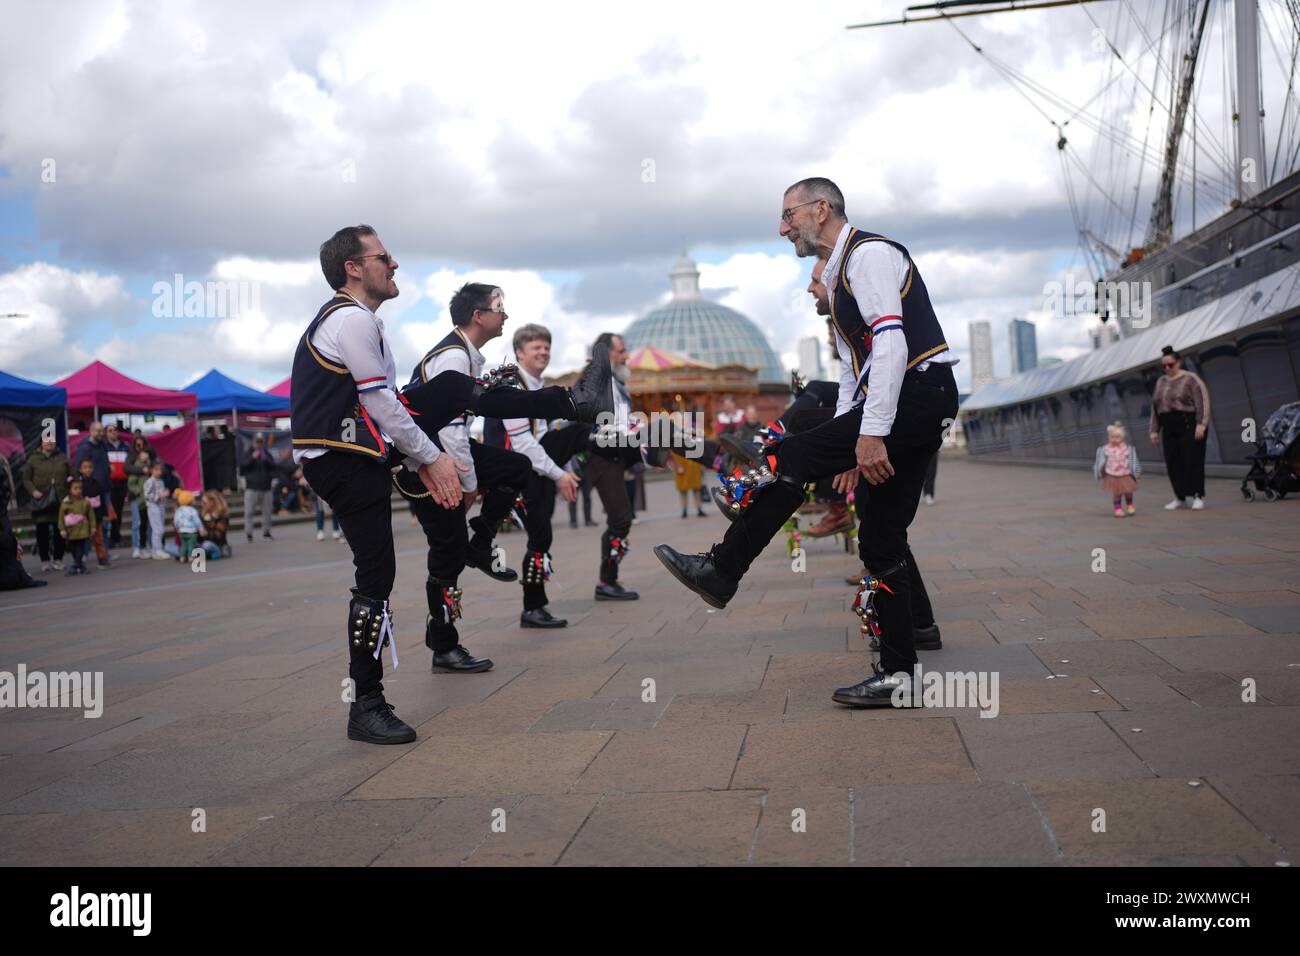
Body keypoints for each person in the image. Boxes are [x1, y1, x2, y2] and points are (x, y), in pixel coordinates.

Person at [292, 224, 612, 744]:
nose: (393, 265)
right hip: (345, 457)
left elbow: (389, 402)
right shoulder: (351, 320)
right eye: (383, 257)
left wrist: (429, 452)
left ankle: (570, 404)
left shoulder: (355, 322)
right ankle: (366, 704)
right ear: (354, 267)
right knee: (377, 577)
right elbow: (378, 403)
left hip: (359, 450)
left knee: (453, 393)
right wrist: (432, 457)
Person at [656, 177, 957, 707]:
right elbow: (851, 375)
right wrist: (846, 442)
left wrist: (868, 433)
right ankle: (900, 674)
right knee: (882, 535)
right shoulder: (839, 277)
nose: (782, 228)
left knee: (789, 454)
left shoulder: (870, 256)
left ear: (822, 209)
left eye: (789, 215)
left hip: (918, 393)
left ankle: (722, 570)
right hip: (905, 402)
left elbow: (891, 343)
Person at [394, 281, 539, 672]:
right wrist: (469, 486)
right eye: (499, 307)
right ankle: (443, 645)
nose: (505, 314)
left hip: (445, 454)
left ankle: (482, 542)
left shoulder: (465, 354)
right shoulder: (454, 358)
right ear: (478, 316)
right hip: (426, 466)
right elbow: (452, 431)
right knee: (446, 552)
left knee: (516, 468)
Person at [497, 323, 597, 628]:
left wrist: (562, 469)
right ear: (519, 353)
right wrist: (560, 475)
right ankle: (532, 606)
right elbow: (523, 443)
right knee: (540, 535)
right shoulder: (513, 387)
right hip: (519, 471)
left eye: (546, 347)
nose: (543, 352)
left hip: (539, 467)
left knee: (579, 428)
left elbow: (544, 436)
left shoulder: (539, 387)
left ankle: (627, 445)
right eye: (535, 348)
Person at [1149, 345, 1211, 511]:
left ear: (1179, 362)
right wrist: (1154, 430)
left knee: (1192, 459)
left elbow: (1203, 401)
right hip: (1168, 424)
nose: (1167, 368)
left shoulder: (1191, 379)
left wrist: (1201, 424)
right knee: (1173, 461)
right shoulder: (1161, 381)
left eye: (1171, 365)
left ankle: (1197, 495)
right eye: (1164, 366)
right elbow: (1155, 407)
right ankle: (1180, 497)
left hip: (1188, 422)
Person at [21, 438, 71, 572]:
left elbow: (72, 475)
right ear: (41, 443)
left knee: (59, 531)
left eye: (53, 441)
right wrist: (33, 491)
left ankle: (58, 559)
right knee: (41, 532)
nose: (50, 443)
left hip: (59, 501)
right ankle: (45, 560)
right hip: (41, 502)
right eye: (47, 440)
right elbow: (26, 479)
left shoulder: (62, 458)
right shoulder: (33, 459)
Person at [74, 424, 114, 555]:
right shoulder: (84, 448)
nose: (101, 433)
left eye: (102, 431)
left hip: (104, 490)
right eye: (98, 431)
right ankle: (84, 555)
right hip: (89, 491)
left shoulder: (103, 445)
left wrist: (109, 469)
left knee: (104, 523)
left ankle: (104, 554)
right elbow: (78, 468)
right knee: (86, 522)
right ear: (91, 431)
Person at [1094, 421, 1141, 516]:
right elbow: (1100, 461)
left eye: (1117, 437)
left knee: (1128, 491)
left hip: (1125, 474)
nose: (1114, 439)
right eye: (1112, 437)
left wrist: (1136, 471)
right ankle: (1118, 509)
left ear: (1122, 438)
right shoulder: (1106, 449)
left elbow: (1134, 460)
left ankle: (1130, 505)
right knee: (1116, 493)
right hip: (1112, 475)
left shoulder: (1127, 449)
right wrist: (1099, 472)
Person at [74, 457, 112, 568]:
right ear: (80, 470)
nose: (88, 470)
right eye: (85, 467)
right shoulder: (78, 485)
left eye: (90, 467)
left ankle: (102, 558)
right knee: (82, 539)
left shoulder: (97, 484)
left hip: (96, 516)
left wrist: (104, 514)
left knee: (98, 539)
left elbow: (102, 501)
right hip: (83, 518)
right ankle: (80, 560)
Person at [241, 434, 277, 540]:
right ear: (253, 442)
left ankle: (266, 532)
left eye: (261, 442)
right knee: (249, 512)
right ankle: (249, 533)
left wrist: (266, 460)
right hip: (252, 487)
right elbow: (243, 466)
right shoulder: (248, 452)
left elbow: (274, 466)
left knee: (267, 512)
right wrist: (252, 458)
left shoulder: (266, 453)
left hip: (266, 487)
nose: (259, 444)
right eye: (257, 442)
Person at [124, 437, 155, 558]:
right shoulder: (132, 457)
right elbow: (126, 469)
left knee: (148, 523)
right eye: (138, 445)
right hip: (137, 497)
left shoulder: (152, 460)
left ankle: (149, 545)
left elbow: (161, 467)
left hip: (149, 498)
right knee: (137, 523)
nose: (140, 448)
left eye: (143, 445)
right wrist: (142, 470)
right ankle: (137, 547)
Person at [58, 478, 96, 575]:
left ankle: (75, 566)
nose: (78, 490)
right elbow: (61, 517)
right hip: (71, 530)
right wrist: (62, 529)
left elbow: (91, 515)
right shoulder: (65, 503)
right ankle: (80, 566)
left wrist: (92, 527)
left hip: (83, 529)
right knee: (73, 548)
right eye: (75, 488)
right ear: (70, 490)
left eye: (80, 488)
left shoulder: (85, 501)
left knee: (81, 548)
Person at [104, 423, 131, 548]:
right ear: (106, 433)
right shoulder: (103, 446)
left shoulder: (125, 446)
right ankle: (109, 538)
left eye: (114, 430)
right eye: (110, 430)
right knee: (110, 510)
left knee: (119, 510)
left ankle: (116, 537)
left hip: (122, 482)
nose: (113, 432)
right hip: (109, 483)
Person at [143, 460, 171, 560]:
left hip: (160, 506)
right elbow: (147, 496)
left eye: (160, 470)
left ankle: (156, 549)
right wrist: (159, 496)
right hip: (153, 507)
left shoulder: (161, 481)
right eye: (156, 470)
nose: (159, 472)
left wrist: (165, 495)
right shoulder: (149, 482)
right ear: (151, 471)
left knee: (160, 528)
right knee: (157, 529)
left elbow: (162, 494)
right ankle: (157, 550)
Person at [672, 449, 708, 517]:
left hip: (694, 469)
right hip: (683, 469)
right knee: (683, 491)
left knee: (696, 490)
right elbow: (673, 457)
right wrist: (677, 466)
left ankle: (698, 509)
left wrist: (701, 466)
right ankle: (684, 510)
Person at [200, 489, 232, 557]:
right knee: (172, 547)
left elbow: (219, 536)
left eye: (204, 503)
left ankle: (217, 553)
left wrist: (206, 533)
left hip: (218, 545)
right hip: (203, 543)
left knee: (206, 545)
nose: (202, 505)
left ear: (212, 502)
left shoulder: (222, 516)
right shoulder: (203, 515)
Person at [174, 490, 202, 561]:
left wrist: (177, 527)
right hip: (191, 531)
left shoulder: (179, 510)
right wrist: (200, 528)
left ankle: (182, 557)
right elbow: (197, 521)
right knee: (191, 545)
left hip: (182, 531)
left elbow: (176, 520)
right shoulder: (192, 510)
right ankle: (190, 557)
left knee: (183, 545)